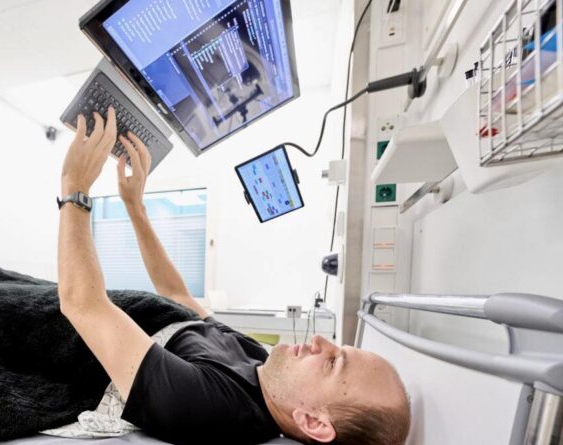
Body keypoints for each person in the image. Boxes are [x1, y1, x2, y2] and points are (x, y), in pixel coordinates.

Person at [57, 107, 411, 445]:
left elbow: (82, 305)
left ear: (313, 422)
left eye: (332, 362)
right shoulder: (260, 362)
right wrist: (135, 206)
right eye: (337, 347)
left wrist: (75, 187)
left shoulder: (211, 407)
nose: (321, 341)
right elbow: (177, 297)